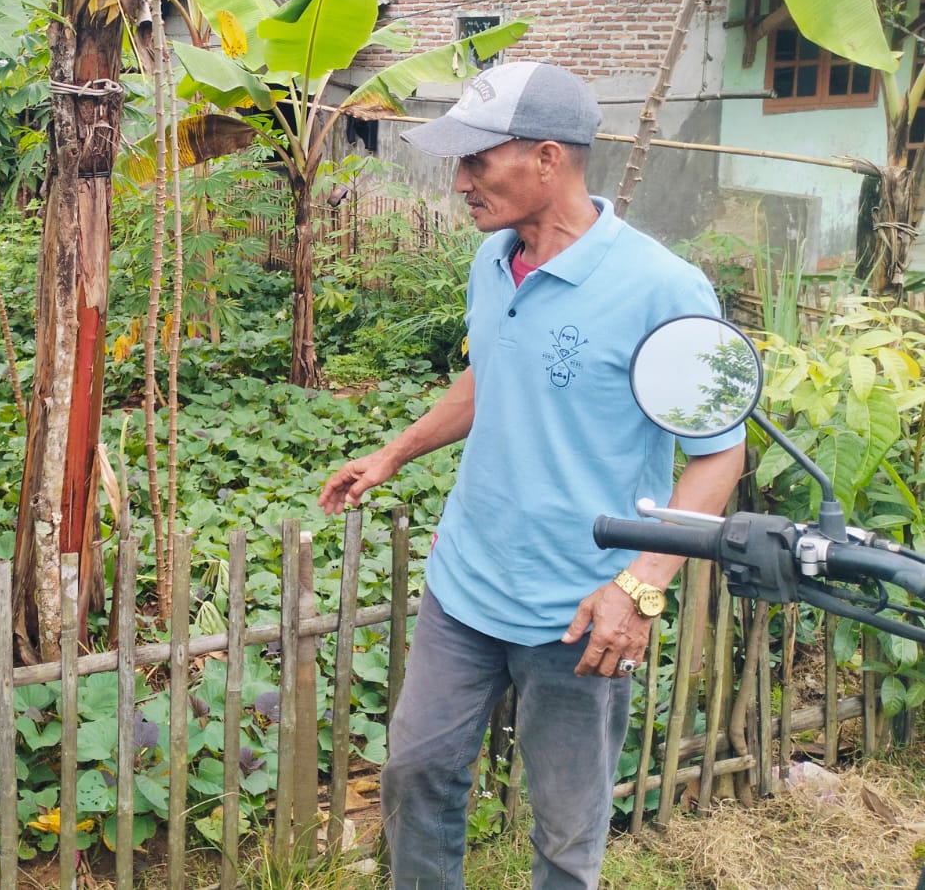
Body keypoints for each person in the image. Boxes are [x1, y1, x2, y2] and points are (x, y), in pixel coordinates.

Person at [319, 61, 745, 889]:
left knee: (565, 825)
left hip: (581, 610)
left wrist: (639, 586)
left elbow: (719, 452)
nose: (460, 182)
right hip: (467, 583)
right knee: (417, 774)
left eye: (479, 160)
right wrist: (394, 452)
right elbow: (491, 376)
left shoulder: (662, 288)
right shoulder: (494, 259)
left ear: (549, 159)